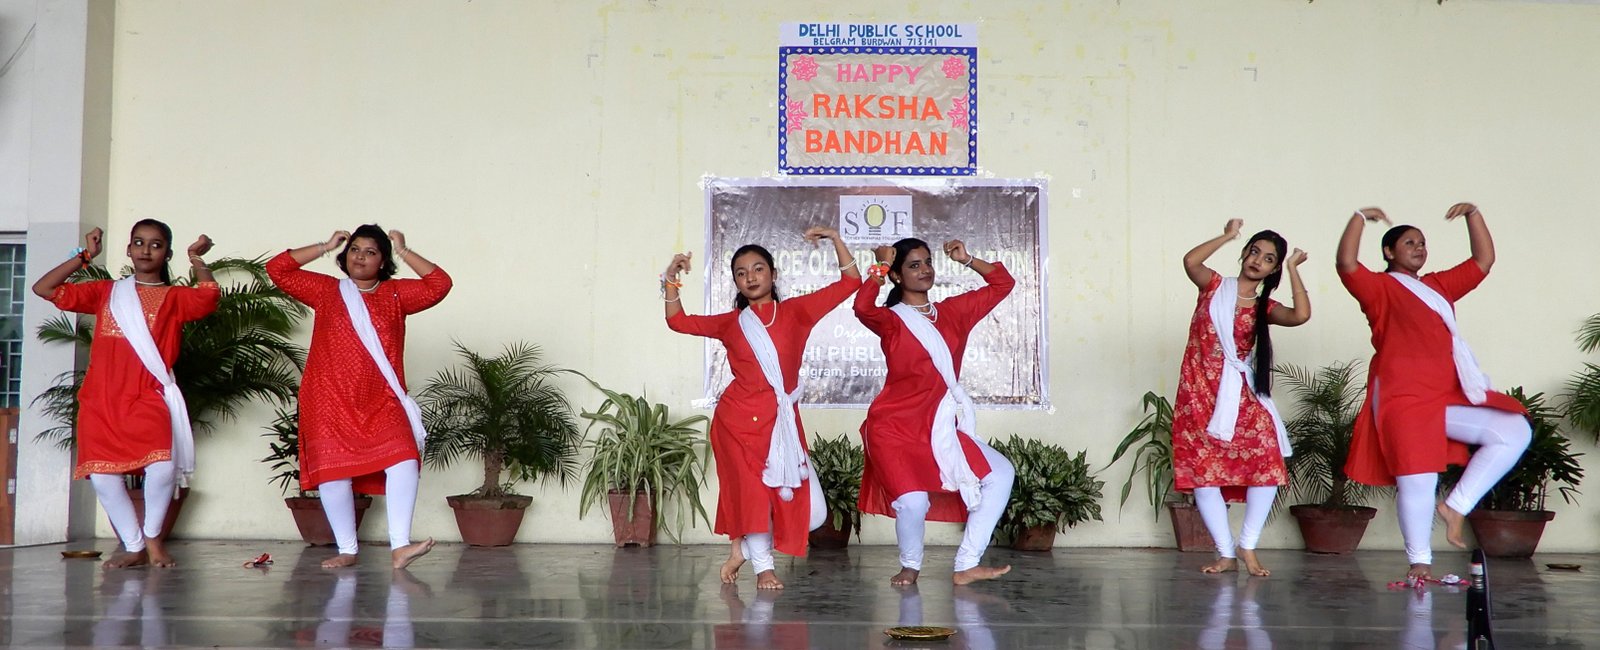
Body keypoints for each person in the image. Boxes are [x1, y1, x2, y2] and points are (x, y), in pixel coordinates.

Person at [1336, 204, 1530, 582]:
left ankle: (1456, 506)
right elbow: (1346, 263)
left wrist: (1474, 214)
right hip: (1402, 397)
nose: (1419, 248)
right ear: (1389, 252)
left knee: (1514, 430)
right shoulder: (1378, 288)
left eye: (1422, 243)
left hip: (1446, 394)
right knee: (1417, 477)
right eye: (1409, 242)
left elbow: (1483, 261)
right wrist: (1358, 217)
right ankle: (1420, 563)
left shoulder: (1438, 286)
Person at [663, 227, 861, 589]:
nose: (750, 277)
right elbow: (678, 322)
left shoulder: (797, 312)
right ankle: (764, 568)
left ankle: (742, 549)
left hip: (781, 422)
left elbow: (851, 283)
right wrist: (671, 279)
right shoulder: (731, 323)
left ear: (773, 274)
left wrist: (835, 238)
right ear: (736, 283)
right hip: (737, 424)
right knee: (754, 498)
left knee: (814, 512)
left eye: (758, 269)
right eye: (741, 273)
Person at [32, 221, 219, 569]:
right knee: (104, 477)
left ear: (168, 254)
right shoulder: (106, 292)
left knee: (162, 467)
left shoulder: (174, 298)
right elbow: (44, 288)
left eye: (156, 244)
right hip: (100, 399)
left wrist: (196, 258)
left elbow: (208, 297)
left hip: (147, 395)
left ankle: (152, 537)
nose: (146, 250)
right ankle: (134, 546)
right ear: (129, 250)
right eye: (139, 242)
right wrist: (85, 256)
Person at [266, 225, 451, 569]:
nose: (360, 257)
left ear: (383, 261)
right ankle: (347, 549)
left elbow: (439, 284)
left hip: (381, 398)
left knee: (404, 460)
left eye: (370, 252)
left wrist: (404, 250)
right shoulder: (326, 291)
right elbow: (278, 268)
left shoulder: (396, 295)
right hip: (329, 399)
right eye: (354, 249)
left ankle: (400, 546)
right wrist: (323, 245)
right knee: (334, 472)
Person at [854, 237, 1015, 586]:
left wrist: (967, 259)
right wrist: (880, 266)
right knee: (913, 502)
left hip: (938, 426)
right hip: (893, 428)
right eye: (914, 265)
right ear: (897, 276)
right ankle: (910, 564)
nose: (925, 270)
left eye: (927, 262)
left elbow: (1003, 282)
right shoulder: (891, 321)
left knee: (1001, 474)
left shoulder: (954, 313)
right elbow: (863, 308)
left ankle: (967, 564)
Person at [1172, 220, 1310, 577]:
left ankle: (1247, 545)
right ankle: (1225, 553)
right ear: (1244, 253)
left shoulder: (1265, 307)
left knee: (1268, 467)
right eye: (1253, 251)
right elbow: (1190, 261)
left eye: (1268, 259)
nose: (1257, 260)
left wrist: (1293, 269)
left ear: (1273, 269)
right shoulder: (1214, 287)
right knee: (1204, 476)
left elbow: (1301, 315)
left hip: (1241, 396)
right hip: (1197, 395)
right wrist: (1227, 236)